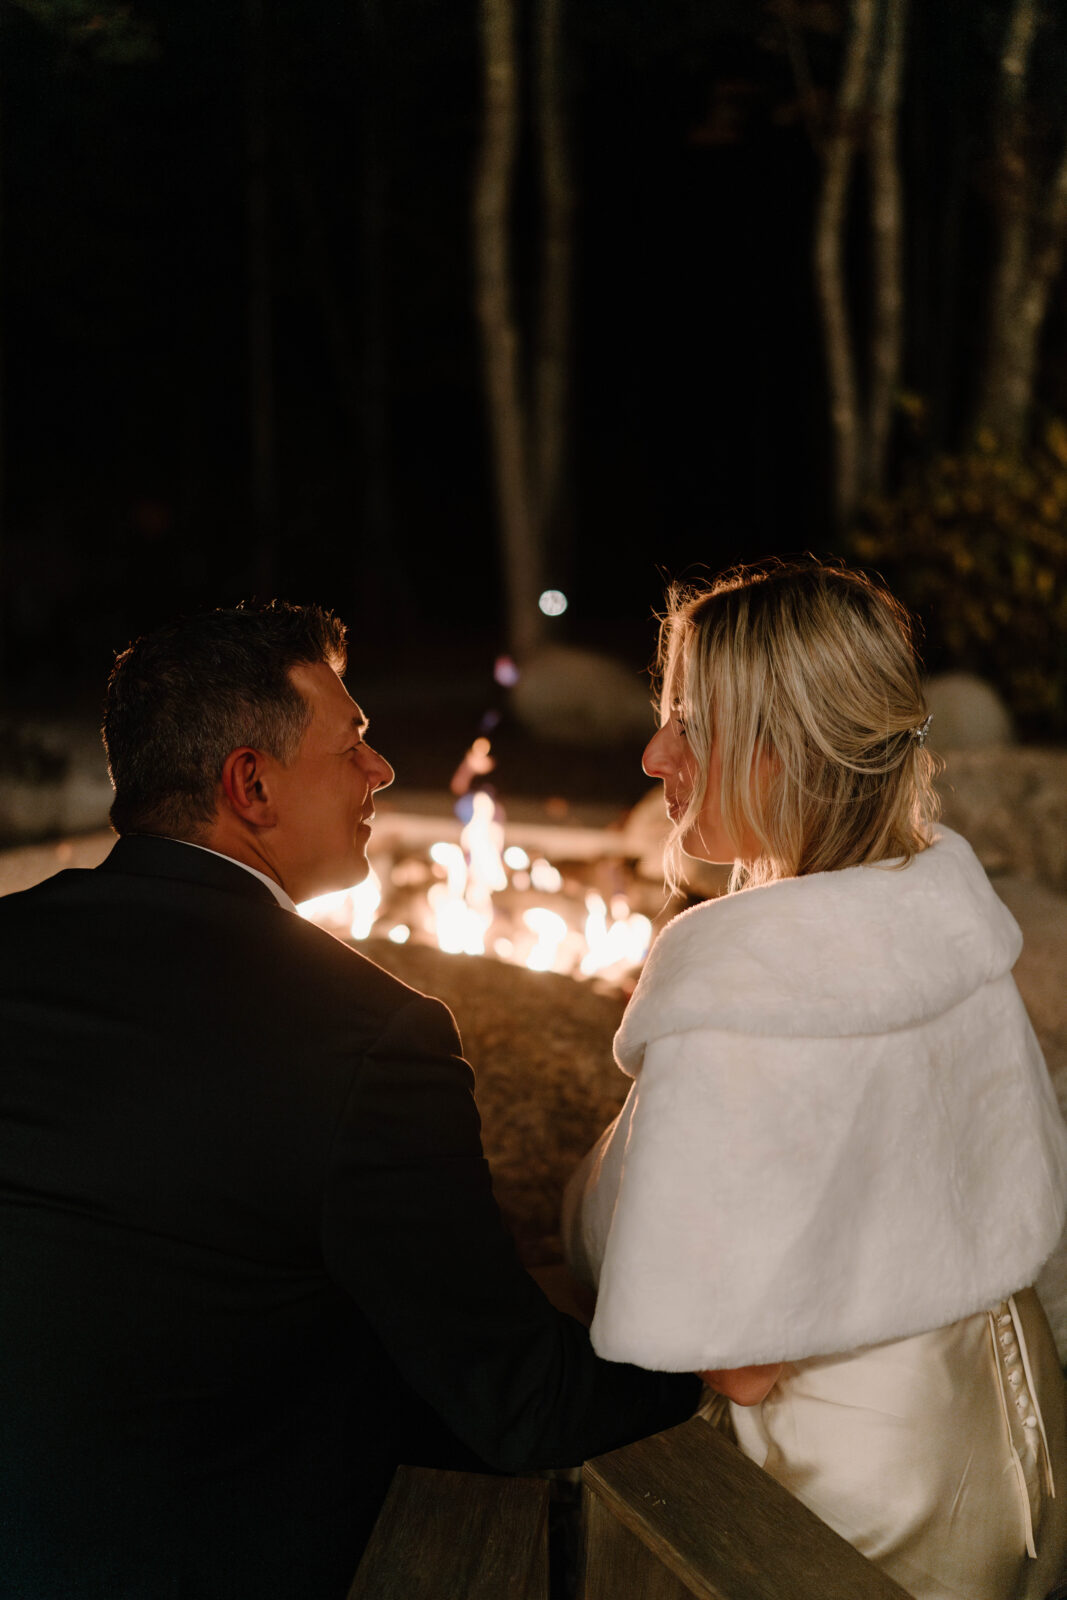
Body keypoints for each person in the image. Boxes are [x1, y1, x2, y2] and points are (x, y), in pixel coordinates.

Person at [0, 601, 699, 1600]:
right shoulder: (366, 1036)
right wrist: (713, 1358)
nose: (379, 772)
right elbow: (521, 1408)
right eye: (355, 742)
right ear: (250, 783)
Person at [563, 559, 1067, 1600]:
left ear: (784, 750)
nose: (655, 752)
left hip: (841, 1496)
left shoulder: (744, 987)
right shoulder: (939, 919)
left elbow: (730, 1351)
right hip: (1010, 1431)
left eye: (693, 723)